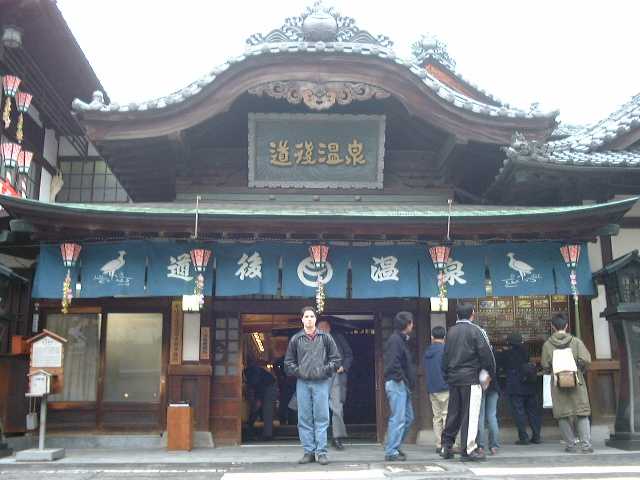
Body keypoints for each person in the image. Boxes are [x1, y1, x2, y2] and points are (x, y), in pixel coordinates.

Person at [284, 306, 341, 465]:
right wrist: (300, 371)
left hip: (321, 382)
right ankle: (308, 451)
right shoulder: (296, 339)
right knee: (304, 417)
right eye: (306, 316)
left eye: (312, 316)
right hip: (302, 382)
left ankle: (321, 452)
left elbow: (336, 360)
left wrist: (324, 370)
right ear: (302, 319)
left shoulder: (326, 337)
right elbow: (288, 363)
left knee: (322, 417)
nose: (309, 319)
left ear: (315, 319)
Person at [440, 303, 495, 462]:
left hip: (453, 378)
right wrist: (488, 374)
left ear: (457, 315)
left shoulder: (450, 332)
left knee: (453, 413)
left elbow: (445, 357)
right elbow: (487, 355)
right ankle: (469, 449)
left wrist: (447, 375)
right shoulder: (476, 330)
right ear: (472, 314)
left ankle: (446, 446)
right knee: (470, 415)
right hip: (471, 378)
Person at [541, 314, 593, 454]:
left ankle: (570, 445)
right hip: (576, 380)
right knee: (581, 412)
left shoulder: (547, 345)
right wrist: (579, 368)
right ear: (566, 326)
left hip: (558, 382)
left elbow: (545, 365)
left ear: (552, 327)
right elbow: (586, 359)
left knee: (562, 414)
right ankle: (586, 445)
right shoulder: (576, 342)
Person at [383, 311, 416, 462]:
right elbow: (393, 363)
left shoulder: (401, 339)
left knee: (408, 418)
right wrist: (401, 378)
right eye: (411, 322)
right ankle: (391, 450)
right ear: (407, 324)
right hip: (397, 383)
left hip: (402, 383)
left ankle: (394, 446)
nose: (412, 325)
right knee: (398, 418)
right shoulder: (395, 340)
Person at [497, 332, 541, 445]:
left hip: (515, 386)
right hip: (529, 384)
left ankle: (523, 437)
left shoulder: (506, 354)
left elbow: (500, 365)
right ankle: (536, 436)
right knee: (533, 412)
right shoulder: (526, 351)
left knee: (519, 412)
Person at [317, 318, 353, 451]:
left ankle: (337, 437)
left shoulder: (338, 338)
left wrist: (344, 366)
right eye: (320, 328)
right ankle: (319, 437)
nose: (323, 330)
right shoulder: (312, 339)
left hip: (336, 375)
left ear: (329, 328)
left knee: (337, 408)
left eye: (325, 327)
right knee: (319, 408)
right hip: (319, 377)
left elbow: (349, 355)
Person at [423, 326, 450, 454]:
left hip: (432, 388)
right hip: (445, 387)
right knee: (446, 416)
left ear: (432, 337)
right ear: (444, 337)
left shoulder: (427, 352)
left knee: (437, 417)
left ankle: (439, 444)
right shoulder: (446, 350)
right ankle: (446, 444)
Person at [244, 360, 277, 441]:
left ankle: (268, 435)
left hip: (270, 386)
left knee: (267, 410)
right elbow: (253, 387)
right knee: (260, 408)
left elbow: (259, 386)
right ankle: (263, 431)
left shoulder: (252, 373)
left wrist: (258, 400)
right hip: (265, 385)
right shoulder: (248, 372)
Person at [477, 344, 501, 455]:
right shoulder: (493, 353)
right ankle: (494, 446)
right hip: (494, 387)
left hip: (479, 387)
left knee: (480, 417)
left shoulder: (476, 354)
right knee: (492, 416)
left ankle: (480, 446)